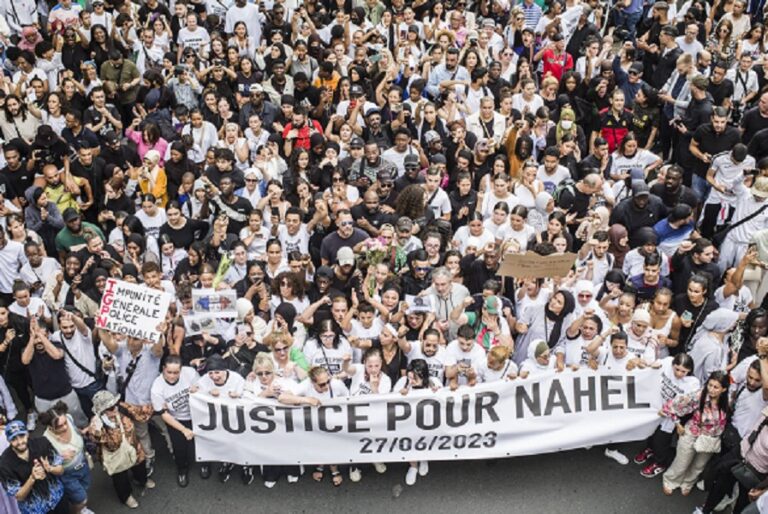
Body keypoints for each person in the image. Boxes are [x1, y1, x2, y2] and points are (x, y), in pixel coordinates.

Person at [661, 371, 730, 496]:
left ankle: (688, 483)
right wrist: (677, 424)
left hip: (710, 438)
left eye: (716, 387)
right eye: (710, 385)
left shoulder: (727, 401)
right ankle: (670, 481)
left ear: (724, 389)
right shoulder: (699, 395)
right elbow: (673, 405)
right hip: (692, 432)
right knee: (682, 461)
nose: (711, 389)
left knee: (699, 465)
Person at [89, 390, 154, 509]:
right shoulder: (97, 425)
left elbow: (140, 412)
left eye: (115, 404)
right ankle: (126, 496)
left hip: (133, 446)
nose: (115, 409)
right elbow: (109, 444)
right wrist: (99, 431)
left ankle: (142, 480)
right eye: (110, 408)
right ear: (102, 411)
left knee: (139, 465)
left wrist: (157, 407)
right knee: (120, 477)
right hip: (115, 455)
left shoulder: (122, 408)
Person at [0, 420, 67, 513]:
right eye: (14, 439)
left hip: (58, 500)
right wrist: (32, 478)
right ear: (8, 440)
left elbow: (61, 470)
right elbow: (19, 496)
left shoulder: (42, 443)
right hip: (35, 510)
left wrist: (50, 469)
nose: (19, 442)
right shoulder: (4, 464)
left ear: (27, 434)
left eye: (22, 436)